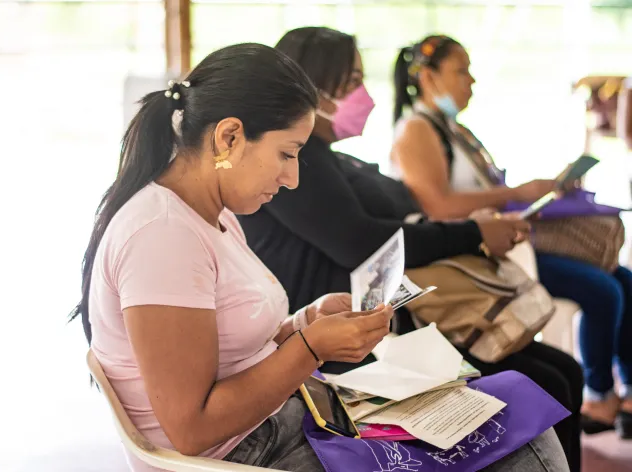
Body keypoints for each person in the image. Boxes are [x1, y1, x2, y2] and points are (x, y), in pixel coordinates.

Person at [69, 42, 567, 472]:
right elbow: (192, 429)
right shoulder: (163, 236)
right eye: (288, 153)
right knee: (525, 441)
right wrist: (310, 348)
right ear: (229, 137)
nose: (293, 179)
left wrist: (305, 322)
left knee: (508, 405)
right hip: (248, 453)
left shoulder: (207, 213)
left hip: (275, 423)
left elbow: (226, 345)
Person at [238, 27, 577, 472]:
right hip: (356, 342)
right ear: (312, 85)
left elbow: (393, 217)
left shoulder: (330, 157)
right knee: (543, 382)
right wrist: (470, 231)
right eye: (352, 82)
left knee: (559, 371)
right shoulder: (299, 162)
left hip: (366, 324)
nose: (365, 95)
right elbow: (359, 240)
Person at [390, 34, 632, 445]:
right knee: (603, 290)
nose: (472, 81)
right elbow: (439, 207)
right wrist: (515, 194)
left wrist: (534, 193)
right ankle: (599, 396)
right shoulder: (416, 130)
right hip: (473, 260)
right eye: (461, 70)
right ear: (428, 77)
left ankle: (626, 392)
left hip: (504, 244)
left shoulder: (453, 129)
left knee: (623, 277)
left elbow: (484, 190)